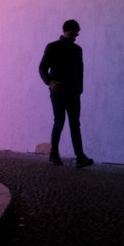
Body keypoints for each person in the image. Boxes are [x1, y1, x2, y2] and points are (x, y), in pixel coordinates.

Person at [38, 20, 94, 167]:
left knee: (74, 124)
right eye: (73, 33)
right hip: (58, 91)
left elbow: (80, 70)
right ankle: (54, 154)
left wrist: (80, 89)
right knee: (60, 121)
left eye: (76, 33)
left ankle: (80, 157)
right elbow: (42, 67)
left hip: (73, 92)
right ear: (65, 31)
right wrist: (49, 82)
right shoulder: (52, 47)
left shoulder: (77, 50)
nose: (75, 36)